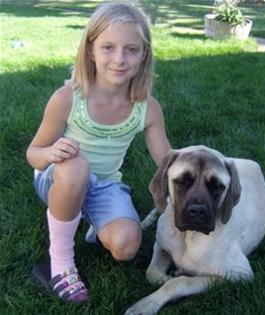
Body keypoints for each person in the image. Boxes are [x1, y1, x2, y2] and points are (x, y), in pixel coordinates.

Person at [26, 2, 171, 304]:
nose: (119, 59)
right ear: (90, 50)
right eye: (108, 47)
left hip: (104, 186)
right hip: (57, 178)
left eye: (131, 49)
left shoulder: (148, 108)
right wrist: (52, 153)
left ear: (145, 54)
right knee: (77, 167)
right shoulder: (68, 98)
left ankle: (90, 216)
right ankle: (61, 264)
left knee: (126, 245)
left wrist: (211, 170)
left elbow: (169, 163)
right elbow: (33, 153)